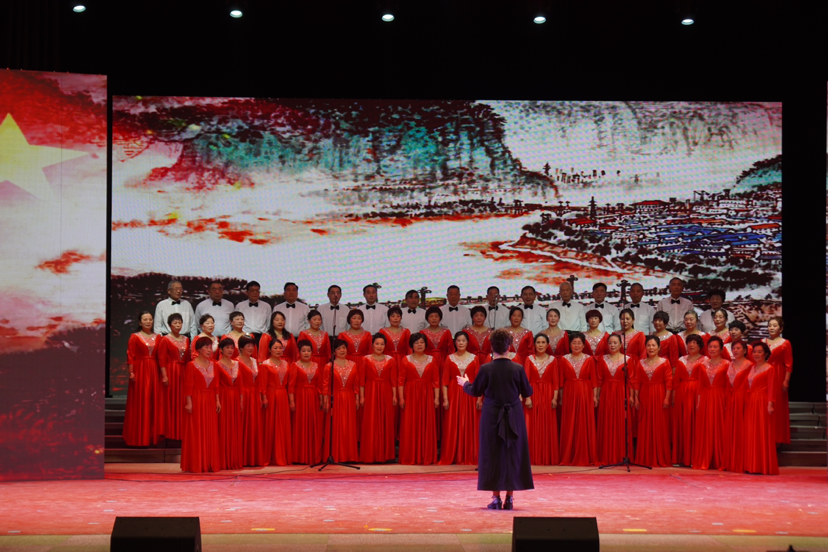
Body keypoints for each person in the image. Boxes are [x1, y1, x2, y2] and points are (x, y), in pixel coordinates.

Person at [458, 328, 533, 510]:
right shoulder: (518, 368)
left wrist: (465, 383)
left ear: (492, 347)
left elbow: (475, 391)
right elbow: (528, 391)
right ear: (509, 347)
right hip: (514, 414)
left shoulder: (486, 368)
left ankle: (496, 498)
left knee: (493, 453)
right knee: (512, 453)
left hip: (492, 415)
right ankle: (510, 498)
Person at [439, 331, 481, 465]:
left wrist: (479, 398)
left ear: (467, 342)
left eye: (463, 340)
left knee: (470, 423)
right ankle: (453, 454)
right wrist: (445, 399)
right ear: (455, 342)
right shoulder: (449, 358)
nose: (461, 343)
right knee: (453, 423)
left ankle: (470, 454)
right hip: (454, 393)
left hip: (470, 393)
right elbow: (445, 381)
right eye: (458, 340)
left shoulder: (475, 358)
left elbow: (479, 381)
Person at [398, 333, 440, 465]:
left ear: (425, 344)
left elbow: (436, 381)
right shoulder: (405, 359)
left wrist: (437, 398)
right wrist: (401, 398)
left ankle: (426, 455)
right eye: (416, 343)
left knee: (427, 423)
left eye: (421, 342)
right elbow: (401, 381)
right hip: (410, 394)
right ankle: (410, 456)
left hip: (427, 395)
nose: (419, 345)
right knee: (410, 423)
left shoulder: (432, 360)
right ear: (412, 345)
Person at [181, 337, 221, 472]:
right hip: (197, 399)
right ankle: (197, 463)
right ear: (198, 349)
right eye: (206, 347)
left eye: (210, 347)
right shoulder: (191, 365)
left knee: (210, 430)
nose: (209, 350)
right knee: (197, 430)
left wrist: (217, 400)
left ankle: (209, 462)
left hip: (210, 399)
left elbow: (216, 385)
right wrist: (189, 403)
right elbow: (188, 385)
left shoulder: (214, 365)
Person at [558, 332, 599, 466]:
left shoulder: (589, 359)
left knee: (584, 421)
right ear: (569, 345)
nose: (576, 345)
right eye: (574, 343)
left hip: (585, 392)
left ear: (583, 345)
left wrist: (595, 396)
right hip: (569, 392)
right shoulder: (564, 359)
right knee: (570, 422)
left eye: (579, 343)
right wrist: (560, 397)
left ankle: (585, 454)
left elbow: (594, 380)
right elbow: (561, 380)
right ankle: (568, 455)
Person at [123, 311, 163, 446]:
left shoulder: (158, 337)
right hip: (140, 370)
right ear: (140, 322)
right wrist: (131, 372)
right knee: (141, 400)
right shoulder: (135, 336)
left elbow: (161, 356)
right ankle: (139, 436)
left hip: (154, 370)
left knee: (153, 401)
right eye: (145, 319)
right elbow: (130, 356)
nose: (148, 322)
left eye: (150, 319)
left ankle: (152, 435)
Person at [595, 334, 636, 466]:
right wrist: (596, 396)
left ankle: (621, 454)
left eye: (615, 343)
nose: (612, 345)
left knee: (621, 422)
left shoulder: (627, 359)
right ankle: (606, 454)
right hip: (606, 392)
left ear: (621, 345)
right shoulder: (602, 359)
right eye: (610, 343)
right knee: (606, 421)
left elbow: (631, 380)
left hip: (621, 392)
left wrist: (631, 396)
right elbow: (599, 380)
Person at [632, 335, 672, 467]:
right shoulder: (640, 362)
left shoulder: (665, 362)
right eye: (648, 345)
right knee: (645, 424)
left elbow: (669, 381)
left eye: (653, 345)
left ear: (659, 347)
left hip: (659, 394)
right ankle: (645, 456)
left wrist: (667, 398)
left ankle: (659, 455)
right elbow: (637, 381)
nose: (651, 348)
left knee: (659, 424)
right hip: (644, 395)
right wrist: (636, 398)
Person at [691, 336, 730, 470]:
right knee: (706, 427)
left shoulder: (727, 364)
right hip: (706, 398)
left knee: (720, 427)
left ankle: (720, 459)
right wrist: (699, 401)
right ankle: (705, 458)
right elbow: (700, 385)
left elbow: (729, 384)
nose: (712, 349)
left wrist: (727, 401)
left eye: (715, 347)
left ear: (721, 349)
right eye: (710, 347)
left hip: (720, 397)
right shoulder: (702, 365)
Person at [359, 334, 398, 463]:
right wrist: (362, 396)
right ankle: (370, 454)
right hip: (370, 391)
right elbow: (362, 380)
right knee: (371, 421)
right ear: (372, 345)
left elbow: (393, 380)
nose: (379, 346)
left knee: (386, 420)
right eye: (377, 344)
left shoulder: (391, 360)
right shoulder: (365, 359)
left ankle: (386, 455)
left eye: (382, 344)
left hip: (386, 391)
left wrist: (394, 395)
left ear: (385, 346)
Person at [522, 334, 559, 465]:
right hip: (533, 393)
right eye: (538, 342)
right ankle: (531, 457)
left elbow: (556, 381)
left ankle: (547, 457)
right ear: (534, 345)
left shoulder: (553, 360)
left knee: (547, 425)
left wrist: (555, 398)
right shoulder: (529, 359)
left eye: (543, 342)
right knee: (531, 425)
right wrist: (527, 398)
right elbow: (525, 380)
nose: (541, 345)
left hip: (548, 394)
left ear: (548, 345)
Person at [672, 334, 707, 467]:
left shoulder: (705, 360)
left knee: (696, 424)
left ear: (700, 346)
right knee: (683, 423)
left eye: (694, 343)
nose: (691, 345)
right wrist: (674, 396)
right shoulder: (681, 359)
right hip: (682, 393)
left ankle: (695, 457)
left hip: (698, 393)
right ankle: (682, 457)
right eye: (689, 342)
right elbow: (676, 380)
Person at [322, 339, 360, 463]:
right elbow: (325, 385)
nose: (342, 350)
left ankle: (349, 456)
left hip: (349, 397)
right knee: (335, 426)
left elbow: (356, 384)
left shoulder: (353, 364)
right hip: (335, 397)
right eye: (338, 348)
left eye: (344, 348)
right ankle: (335, 455)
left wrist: (357, 398)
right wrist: (326, 400)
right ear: (334, 352)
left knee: (349, 426)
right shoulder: (329, 366)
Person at [744, 342, 778, 475]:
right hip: (751, 401)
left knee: (761, 432)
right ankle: (751, 464)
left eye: (759, 352)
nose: (756, 354)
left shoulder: (769, 368)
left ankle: (761, 465)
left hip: (762, 402)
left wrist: (770, 404)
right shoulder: (752, 367)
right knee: (751, 432)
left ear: (766, 354)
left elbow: (772, 387)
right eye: (754, 352)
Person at [291, 339, 325, 464]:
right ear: (299, 352)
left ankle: (313, 455)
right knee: (300, 424)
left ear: (312, 352)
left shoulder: (316, 365)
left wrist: (321, 399)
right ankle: (299, 456)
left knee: (313, 424)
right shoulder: (295, 365)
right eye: (303, 351)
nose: (306, 353)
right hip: (300, 397)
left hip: (313, 397)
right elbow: (291, 386)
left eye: (309, 351)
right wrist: (292, 401)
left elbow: (320, 384)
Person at [157, 313, 190, 441]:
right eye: (175, 323)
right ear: (169, 325)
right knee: (170, 401)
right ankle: (169, 431)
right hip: (170, 371)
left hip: (183, 372)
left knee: (182, 401)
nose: (178, 325)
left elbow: (187, 359)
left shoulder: (186, 339)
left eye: (179, 323)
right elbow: (161, 359)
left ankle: (182, 430)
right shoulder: (165, 339)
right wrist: (164, 375)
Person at [261, 338, 294, 466]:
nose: (278, 350)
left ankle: (283, 455)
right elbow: (263, 383)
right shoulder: (265, 364)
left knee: (282, 424)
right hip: (271, 395)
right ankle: (271, 456)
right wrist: (264, 397)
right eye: (275, 348)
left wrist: (290, 400)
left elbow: (289, 384)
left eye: (280, 348)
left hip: (283, 395)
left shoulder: (286, 364)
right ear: (269, 350)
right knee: (271, 424)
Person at [237, 335, 267, 467]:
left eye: (252, 345)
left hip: (254, 394)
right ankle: (242, 457)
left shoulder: (255, 361)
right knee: (243, 424)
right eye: (247, 345)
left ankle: (253, 457)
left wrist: (261, 395)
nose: (250, 348)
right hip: (243, 394)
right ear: (241, 347)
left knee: (254, 424)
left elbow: (259, 381)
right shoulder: (236, 361)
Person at [216, 338, 244, 470]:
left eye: (232, 348)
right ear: (221, 350)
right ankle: (223, 460)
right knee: (223, 427)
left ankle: (234, 459)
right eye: (227, 347)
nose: (230, 350)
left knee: (234, 427)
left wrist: (241, 400)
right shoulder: (217, 365)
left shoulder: (237, 364)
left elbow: (241, 384)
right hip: (223, 397)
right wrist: (217, 400)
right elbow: (215, 385)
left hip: (235, 398)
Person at [763, 316, 792, 445]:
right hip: (764, 375)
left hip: (778, 375)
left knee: (777, 406)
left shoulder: (785, 343)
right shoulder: (763, 342)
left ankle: (777, 438)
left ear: (781, 328)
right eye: (770, 325)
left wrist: (786, 381)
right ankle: (765, 436)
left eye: (775, 326)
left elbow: (789, 364)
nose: (771, 328)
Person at [725, 340, 752, 473]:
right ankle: (731, 461)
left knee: (742, 429)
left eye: (738, 348)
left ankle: (742, 461)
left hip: (743, 398)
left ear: (745, 350)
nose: (735, 351)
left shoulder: (749, 365)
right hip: (731, 398)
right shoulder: (730, 364)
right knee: (730, 429)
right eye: (733, 348)